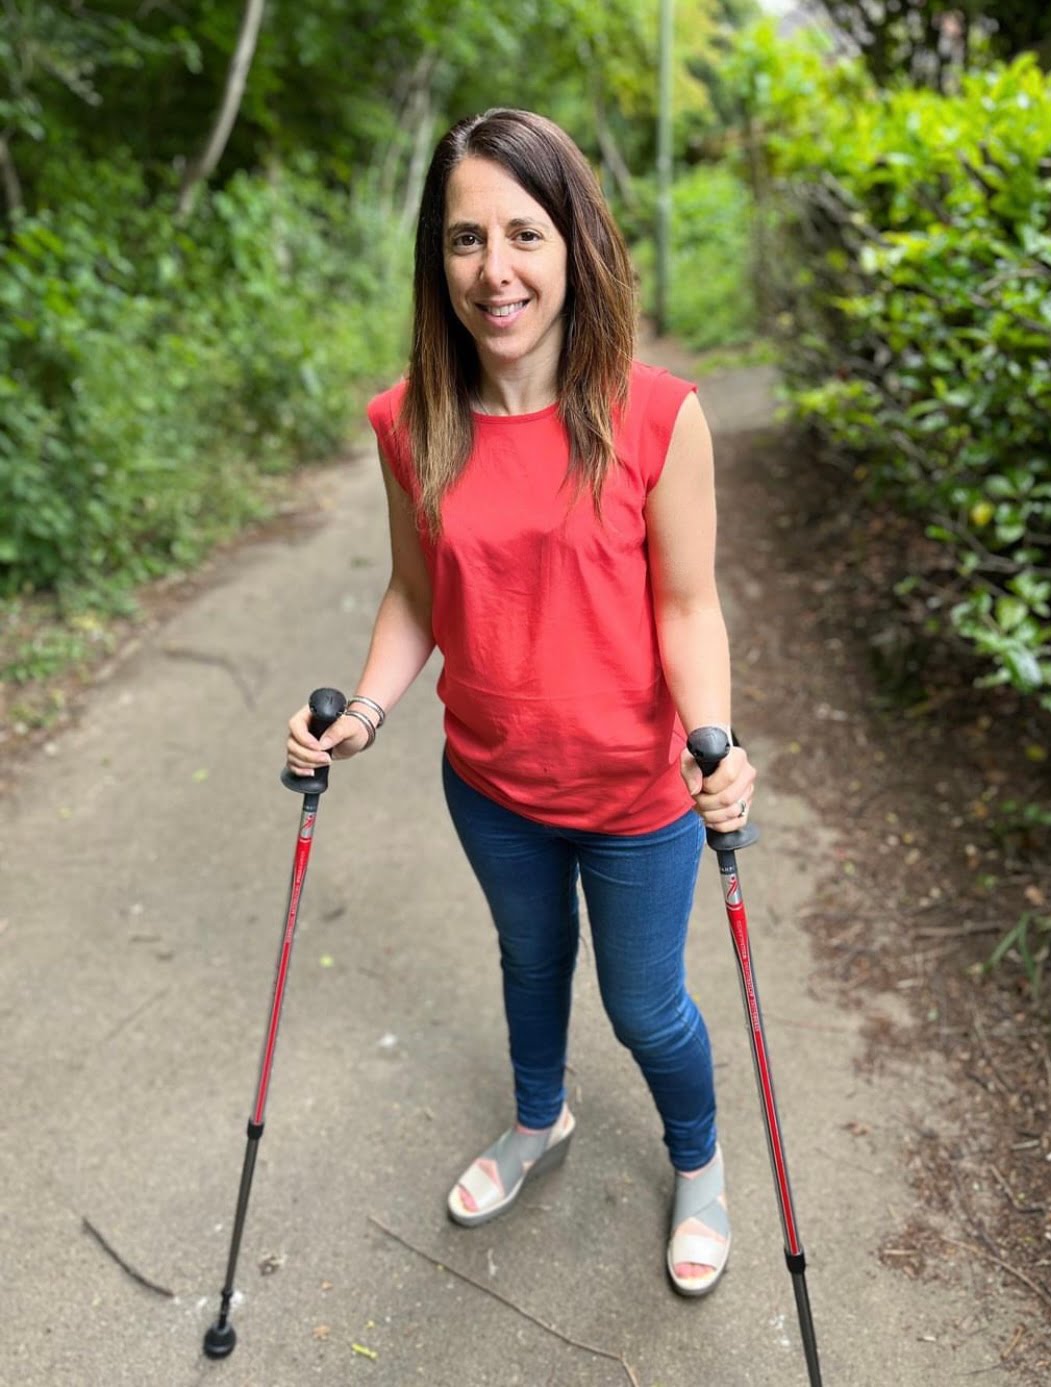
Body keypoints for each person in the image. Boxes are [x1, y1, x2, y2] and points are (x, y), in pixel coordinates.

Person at [286, 108, 756, 1297]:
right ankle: (539, 1119)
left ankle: (698, 1165)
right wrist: (369, 712)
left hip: (637, 793)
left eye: (524, 234)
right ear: (436, 263)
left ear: (575, 245)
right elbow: (413, 594)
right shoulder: (413, 423)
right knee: (529, 960)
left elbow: (689, 608)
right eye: (463, 240)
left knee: (646, 1008)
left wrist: (720, 746)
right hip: (492, 784)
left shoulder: (655, 416)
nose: (494, 270)